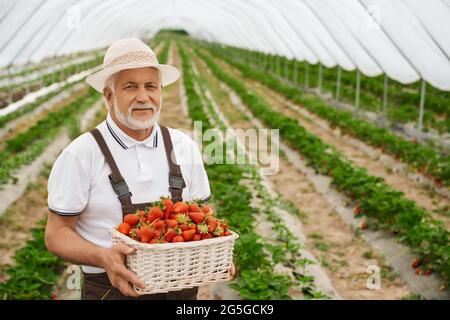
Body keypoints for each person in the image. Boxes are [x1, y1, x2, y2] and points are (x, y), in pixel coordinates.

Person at [44, 38, 234, 300]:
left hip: (180, 288)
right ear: (108, 95)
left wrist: (214, 249)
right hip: (111, 288)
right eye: (130, 87)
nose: (143, 97)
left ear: (160, 92)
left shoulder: (183, 146)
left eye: (151, 86)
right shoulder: (81, 155)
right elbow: (56, 234)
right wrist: (103, 256)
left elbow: (203, 214)